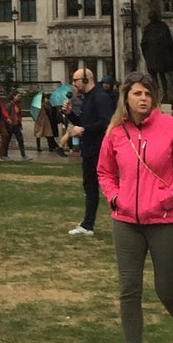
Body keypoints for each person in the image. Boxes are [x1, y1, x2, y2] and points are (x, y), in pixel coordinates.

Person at [97, 72, 173, 343]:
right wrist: (115, 197)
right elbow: (104, 171)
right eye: (138, 93)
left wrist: (167, 200)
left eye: (148, 93)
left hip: (166, 221)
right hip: (126, 222)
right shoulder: (116, 132)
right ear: (126, 98)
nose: (144, 99)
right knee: (129, 291)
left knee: (167, 290)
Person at [66, 66, 110, 237]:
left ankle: (89, 223)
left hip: (99, 150)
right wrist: (70, 115)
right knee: (90, 187)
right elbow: (82, 122)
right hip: (89, 149)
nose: (73, 84)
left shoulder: (101, 98)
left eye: (75, 80)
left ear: (85, 80)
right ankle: (88, 223)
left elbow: (106, 122)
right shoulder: (87, 98)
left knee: (105, 187)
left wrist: (83, 129)